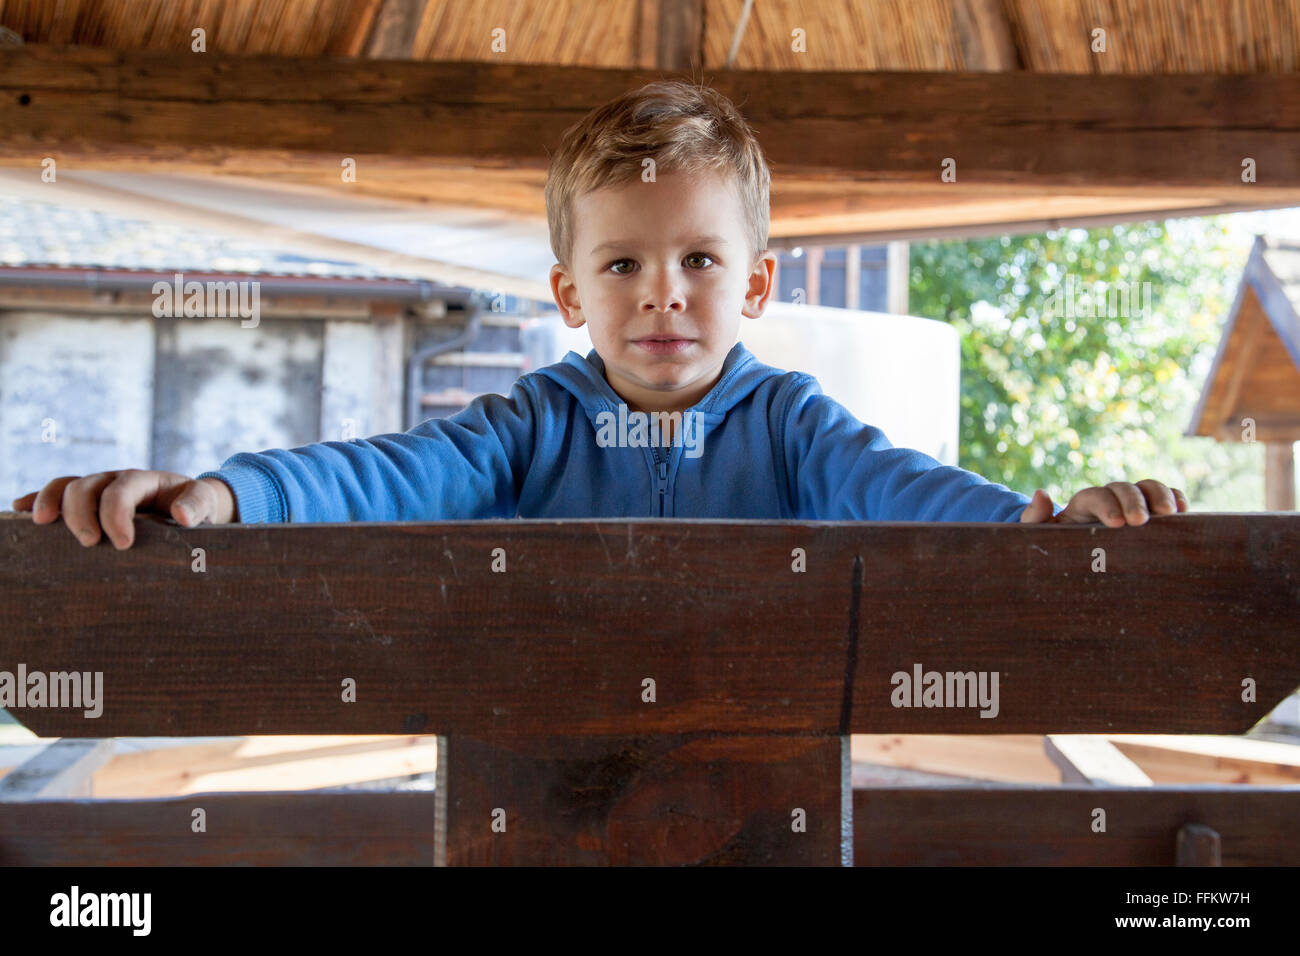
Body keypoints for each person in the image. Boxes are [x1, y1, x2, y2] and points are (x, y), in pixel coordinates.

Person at [10, 80, 1187, 549]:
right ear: (570, 295)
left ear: (756, 285)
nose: (662, 291)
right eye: (621, 264)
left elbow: (905, 488)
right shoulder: (526, 426)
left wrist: (1040, 529)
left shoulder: (792, 426)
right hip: (545, 771)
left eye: (698, 260)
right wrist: (228, 492)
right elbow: (387, 475)